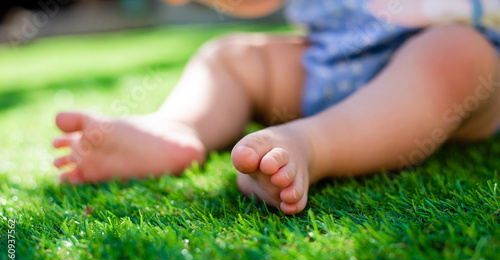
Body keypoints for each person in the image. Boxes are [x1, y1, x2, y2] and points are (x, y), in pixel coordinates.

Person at [53, 0, 500, 215]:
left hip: (455, 64)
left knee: (455, 55)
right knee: (230, 57)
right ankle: (176, 129)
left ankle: (309, 145)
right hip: (329, 63)